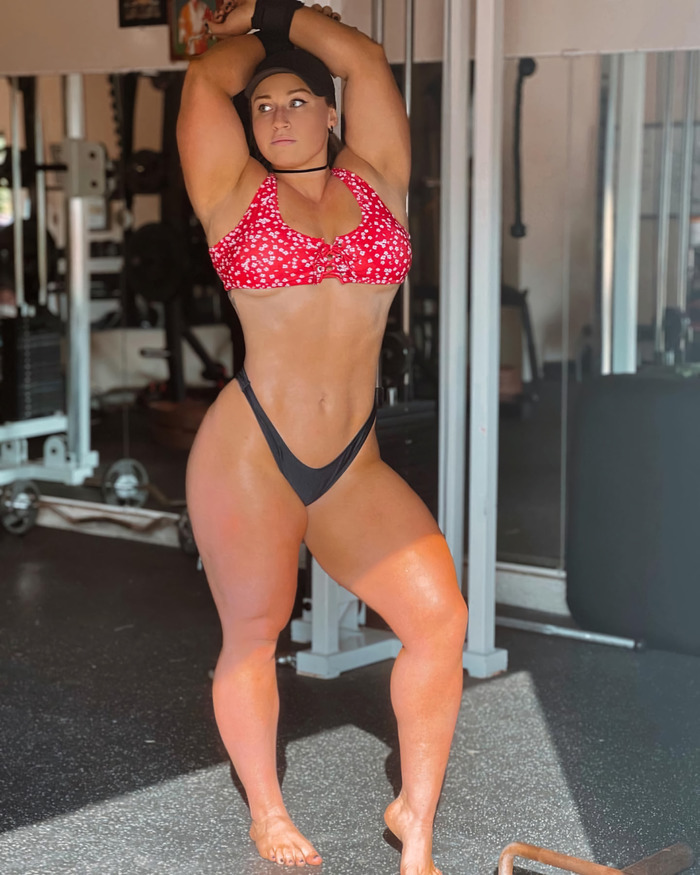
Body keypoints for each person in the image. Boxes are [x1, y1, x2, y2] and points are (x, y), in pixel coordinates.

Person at [177, 1, 469, 872]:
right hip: (252, 450)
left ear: (333, 114)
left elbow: (367, 59)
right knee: (253, 633)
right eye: (264, 107)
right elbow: (207, 77)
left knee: (440, 619)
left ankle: (415, 818)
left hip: (351, 458)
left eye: (297, 102)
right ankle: (267, 811)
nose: (277, 117)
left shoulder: (377, 181)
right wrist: (251, 41)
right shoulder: (232, 191)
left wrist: (275, 15)